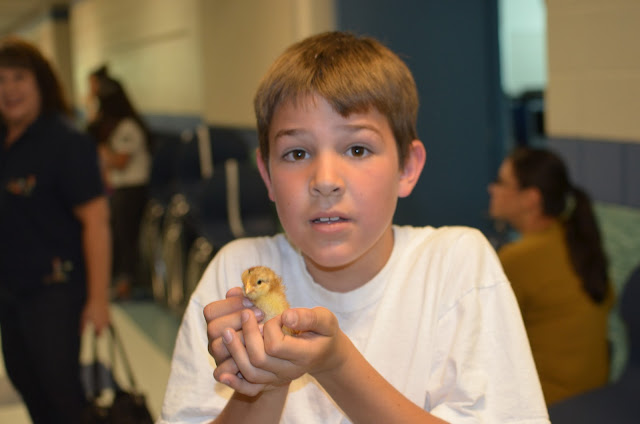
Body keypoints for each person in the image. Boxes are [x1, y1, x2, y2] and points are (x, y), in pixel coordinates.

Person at [159, 31, 549, 423]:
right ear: (267, 175)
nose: (325, 180)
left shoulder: (456, 265)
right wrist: (265, 379)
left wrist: (337, 366)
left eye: (357, 149)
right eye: (297, 153)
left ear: (407, 167)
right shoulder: (236, 273)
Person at [0, 37, 111, 423]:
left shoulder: (65, 142)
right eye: (1, 80)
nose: (9, 89)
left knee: (61, 392)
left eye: (19, 77)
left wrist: (98, 300)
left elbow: (96, 221)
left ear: (40, 83)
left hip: (55, 292)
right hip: (10, 291)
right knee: (25, 380)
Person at [488, 146, 613, 405]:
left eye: (501, 182)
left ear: (530, 199)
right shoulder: (575, 239)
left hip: (550, 403)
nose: (492, 189)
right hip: (594, 393)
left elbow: (486, 340)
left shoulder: (519, 258)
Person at [90, 73, 152, 299]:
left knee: (127, 237)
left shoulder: (128, 127)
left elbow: (120, 162)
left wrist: (102, 151)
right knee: (117, 234)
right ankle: (119, 278)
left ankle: (128, 282)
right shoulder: (116, 128)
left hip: (132, 189)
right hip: (119, 189)